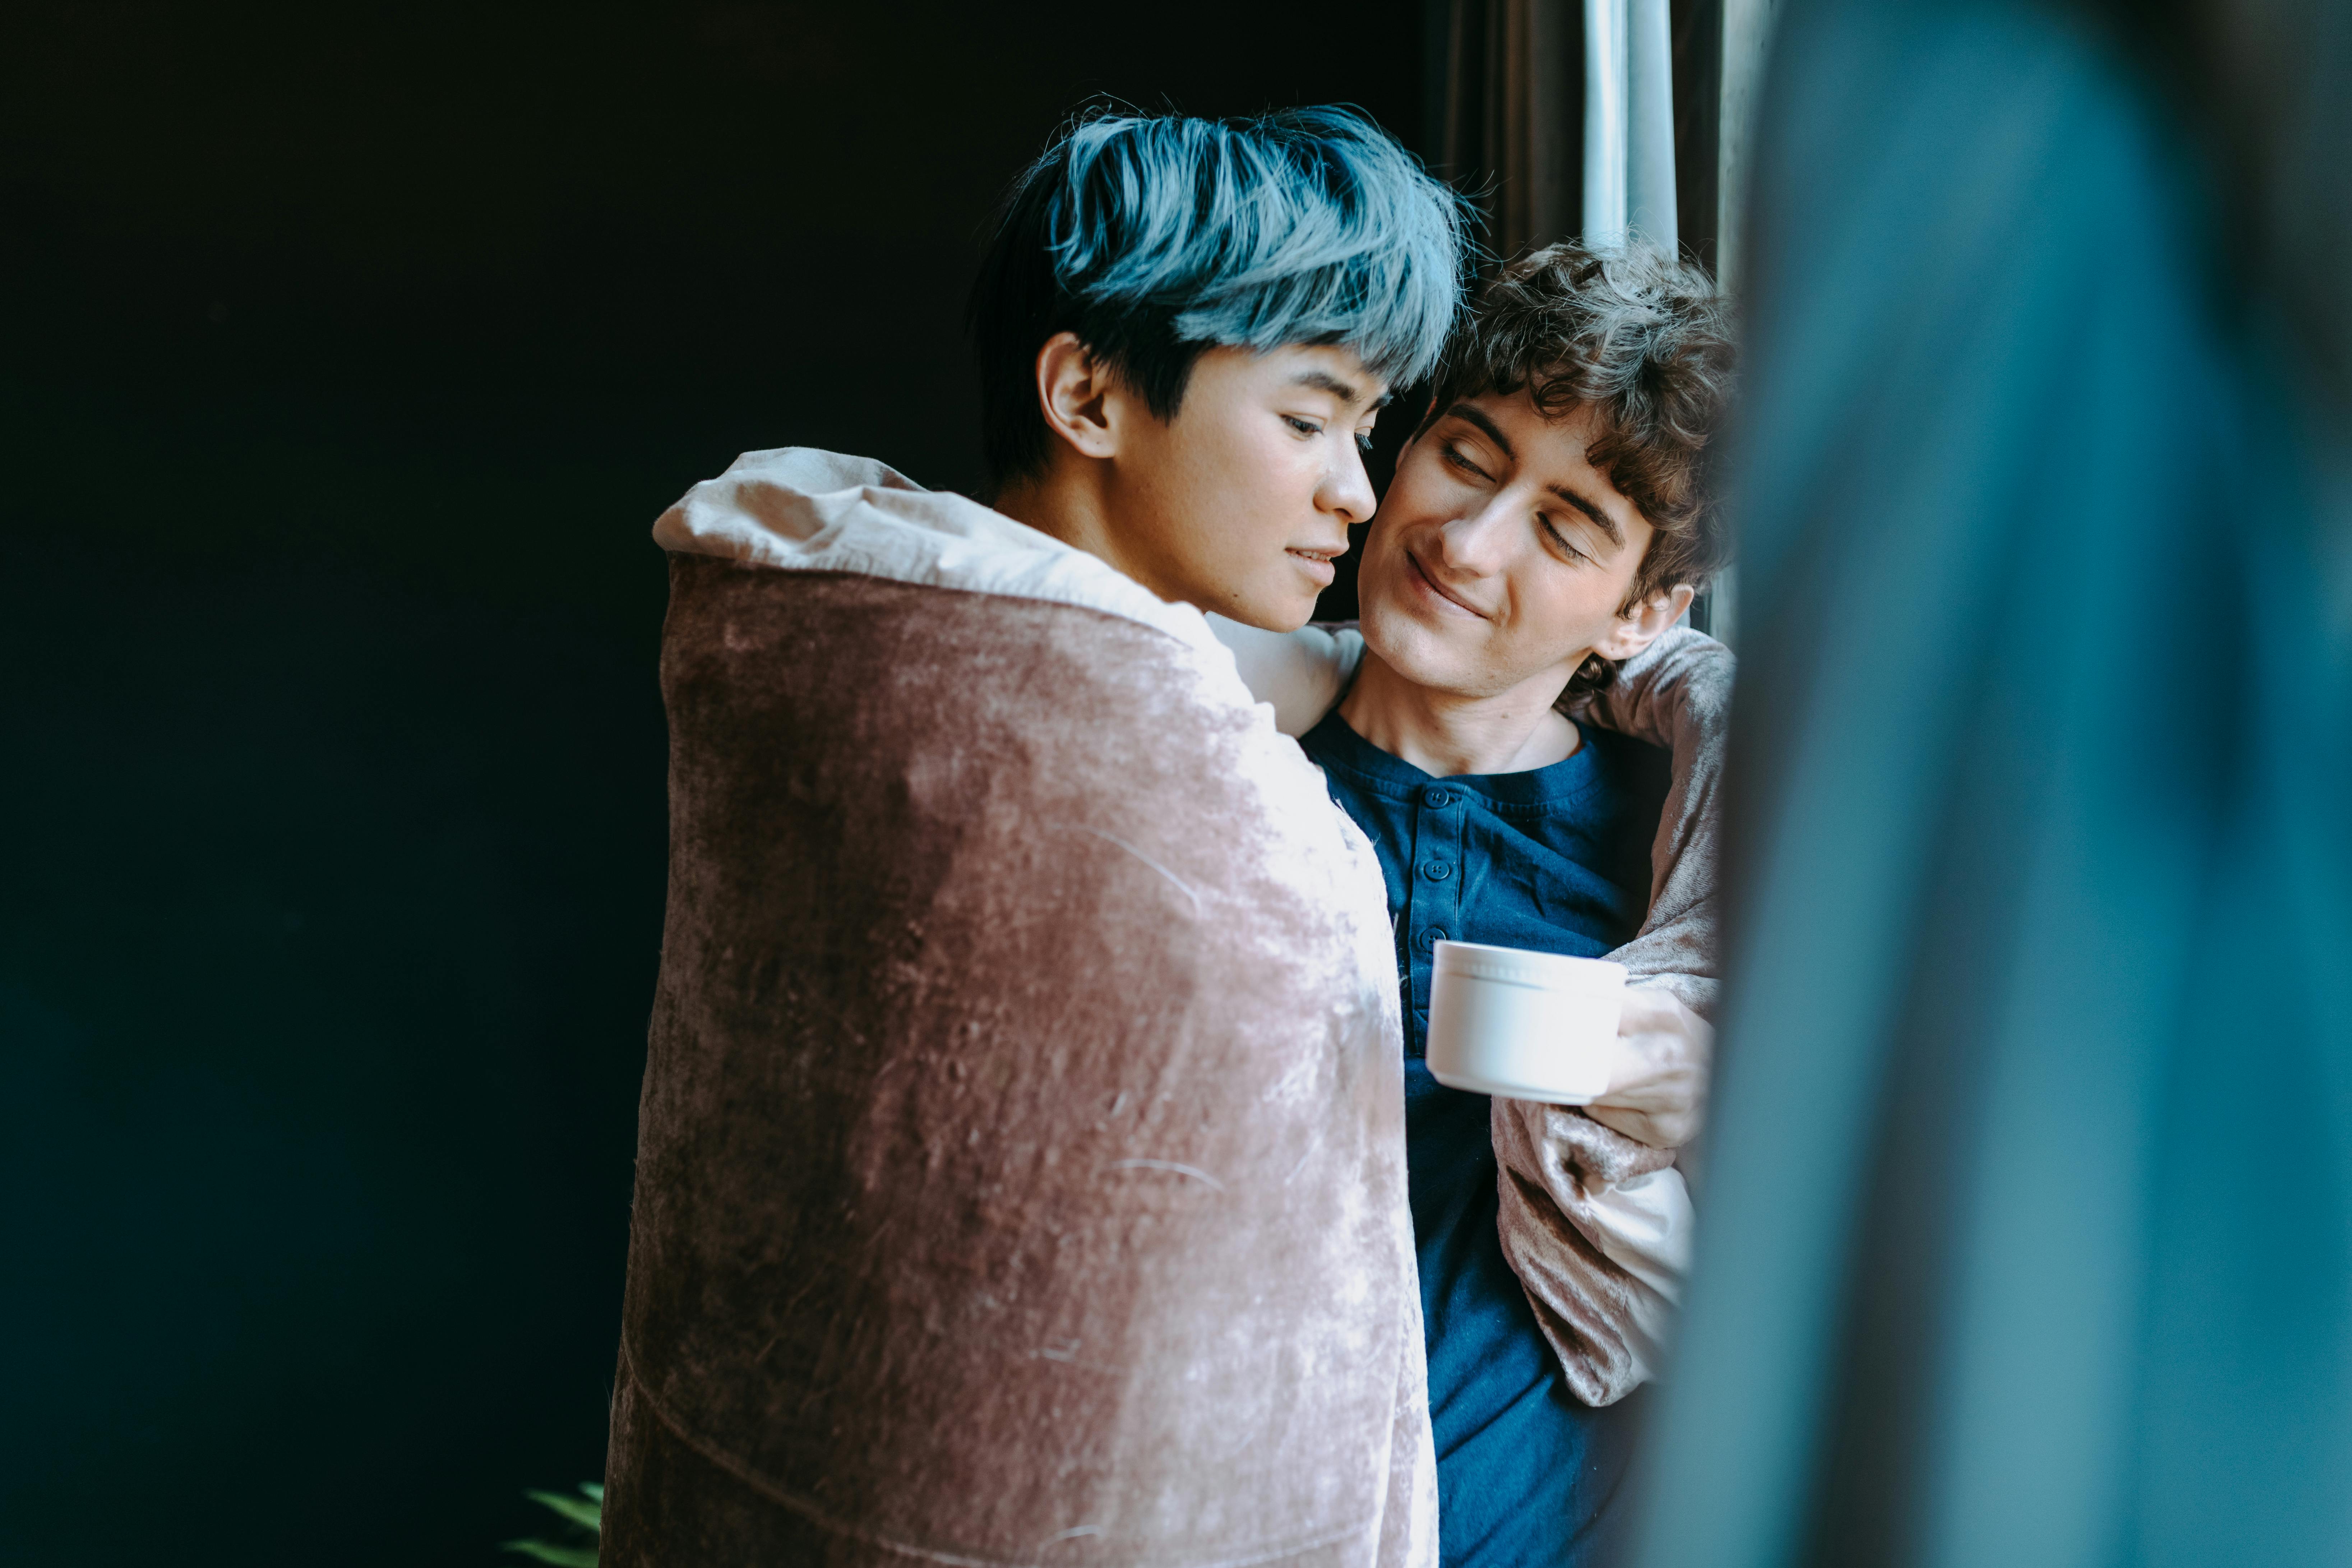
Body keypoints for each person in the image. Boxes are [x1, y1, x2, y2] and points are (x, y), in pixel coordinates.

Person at [598, 107, 1473, 1567]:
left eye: (1367, 431)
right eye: (1308, 417)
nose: (1357, 492)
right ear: (1087, 394)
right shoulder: (1170, 793)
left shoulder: (845, 632)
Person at [1216, 239, 1736, 1567]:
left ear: (1643, 615)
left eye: (1564, 530)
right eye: (1464, 455)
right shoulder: (1215, 772)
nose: (1464, 540)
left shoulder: (1674, 853)